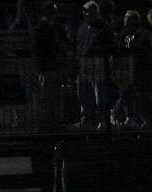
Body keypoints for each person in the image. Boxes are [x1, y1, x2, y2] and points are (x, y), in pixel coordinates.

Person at [74, 0, 115, 129]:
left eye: (90, 12)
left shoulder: (103, 27)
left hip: (98, 62)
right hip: (84, 62)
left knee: (100, 93)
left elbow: (110, 46)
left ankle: (103, 120)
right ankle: (87, 119)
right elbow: (79, 44)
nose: (87, 15)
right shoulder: (82, 27)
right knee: (83, 92)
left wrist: (97, 50)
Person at [33, 1, 69, 131]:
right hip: (47, 67)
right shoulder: (41, 28)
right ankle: (47, 122)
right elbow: (39, 49)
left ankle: (56, 121)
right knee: (47, 96)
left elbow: (66, 44)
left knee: (57, 96)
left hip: (56, 66)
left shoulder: (57, 27)